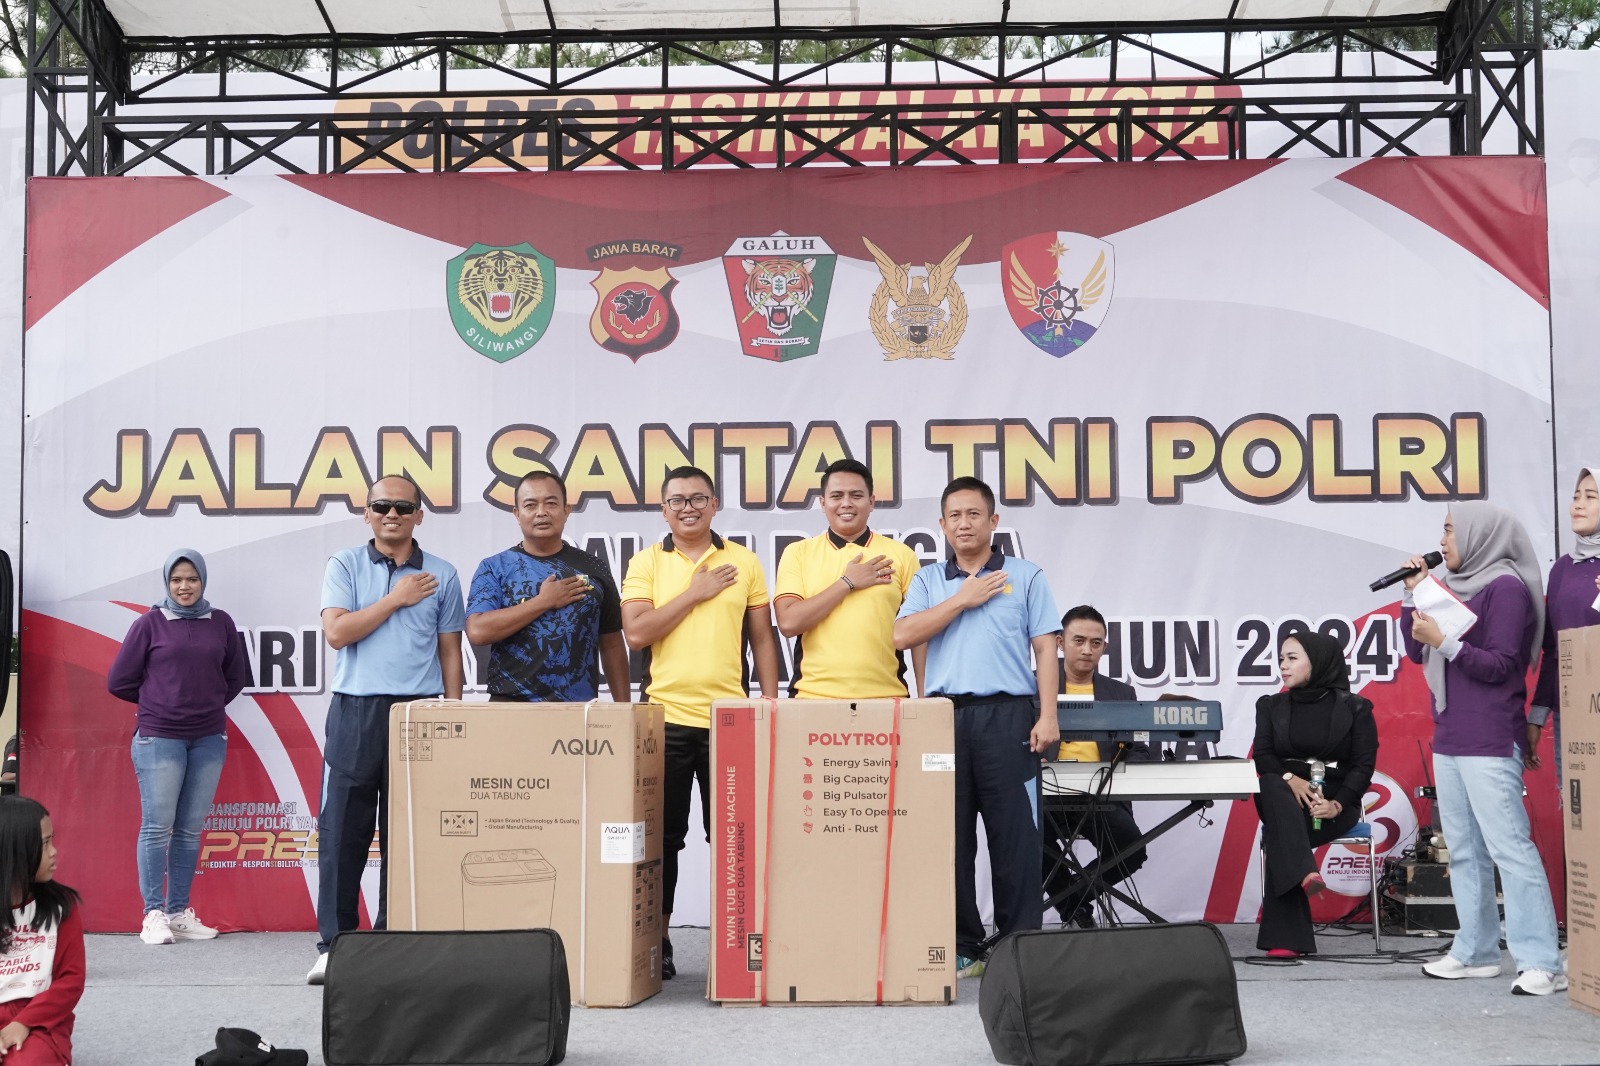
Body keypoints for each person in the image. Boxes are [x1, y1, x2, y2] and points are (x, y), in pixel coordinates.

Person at [893, 476, 1060, 978]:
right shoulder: (926, 581)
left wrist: (1048, 714)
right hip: (944, 720)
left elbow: (1046, 647)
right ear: (941, 525)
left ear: (993, 521)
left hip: (1009, 718)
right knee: (950, 837)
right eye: (954, 516)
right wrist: (962, 599)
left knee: (1016, 838)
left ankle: (1018, 945)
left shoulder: (1026, 576)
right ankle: (963, 945)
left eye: (974, 514)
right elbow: (903, 634)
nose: (964, 524)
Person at [1400, 502, 1565, 995]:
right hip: (1450, 734)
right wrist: (1416, 596)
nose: (1444, 541)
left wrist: (1445, 641)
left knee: (1509, 849)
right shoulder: (1452, 588)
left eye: (1450, 531)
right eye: (1444, 532)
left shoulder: (1508, 588)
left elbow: (1501, 666)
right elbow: (1416, 650)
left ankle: (1541, 961)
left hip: (1491, 737)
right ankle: (1475, 951)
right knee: (1465, 851)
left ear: (1480, 535)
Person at [621, 466, 779, 979]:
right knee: (662, 839)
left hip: (730, 721)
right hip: (664, 719)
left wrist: (770, 703)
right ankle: (659, 940)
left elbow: (761, 639)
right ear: (663, 510)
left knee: (733, 839)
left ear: (715, 505)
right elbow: (638, 634)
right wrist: (695, 591)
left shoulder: (744, 561)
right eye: (677, 501)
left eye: (698, 499)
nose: (688, 508)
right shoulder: (646, 562)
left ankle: (735, 945)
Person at [309, 475, 465, 985]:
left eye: (403, 506)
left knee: (408, 834)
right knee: (342, 834)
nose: (392, 514)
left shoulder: (443, 573)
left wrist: (454, 710)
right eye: (382, 505)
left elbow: (449, 651)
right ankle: (335, 946)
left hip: (418, 713)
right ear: (367, 512)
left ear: (420, 515)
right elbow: (337, 632)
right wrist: (396, 598)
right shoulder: (345, 564)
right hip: (356, 711)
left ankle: (393, 937)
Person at [107, 549, 250, 946]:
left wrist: (203, 705)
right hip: (158, 738)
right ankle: (152, 915)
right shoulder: (149, 624)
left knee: (189, 831)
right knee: (157, 828)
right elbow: (118, 681)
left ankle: (177, 913)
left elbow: (234, 678)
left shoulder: (221, 623)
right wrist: (162, 702)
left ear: (203, 581)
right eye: (176, 580)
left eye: (191, 579)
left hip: (208, 738)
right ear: (166, 583)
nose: (184, 587)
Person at [1251, 631, 1377, 958]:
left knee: (1282, 834)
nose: (1283, 666)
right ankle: (1306, 870)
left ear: (1318, 661)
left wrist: (1337, 805)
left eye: (1292, 658)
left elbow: (1362, 766)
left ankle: (1287, 939)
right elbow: (1263, 757)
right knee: (1270, 783)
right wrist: (1290, 778)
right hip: (1282, 796)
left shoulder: (1356, 707)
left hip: (1333, 802)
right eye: (1281, 659)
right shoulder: (1270, 705)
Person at [465, 471, 631, 703]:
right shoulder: (494, 567)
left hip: (577, 709)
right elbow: (478, 631)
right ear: (517, 513)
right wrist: (543, 602)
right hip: (510, 707)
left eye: (551, 503)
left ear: (566, 510)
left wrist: (623, 709)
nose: (541, 512)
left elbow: (612, 643)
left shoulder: (595, 568)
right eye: (530, 505)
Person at [773, 459, 919, 699]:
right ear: (822, 503)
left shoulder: (902, 555)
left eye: (856, 495)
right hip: (812, 697)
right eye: (837, 496)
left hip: (886, 697)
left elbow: (919, 634)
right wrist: (847, 583)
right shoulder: (798, 552)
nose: (846, 504)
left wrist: (924, 697)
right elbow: (788, 623)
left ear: (871, 502)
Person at [1043, 605, 1150, 927]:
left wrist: (1121, 764)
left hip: (1101, 796)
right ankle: (1076, 913)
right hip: (1046, 794)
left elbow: (1140, 750)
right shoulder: (1031, 685)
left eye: (1096, 642)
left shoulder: (1121, 693)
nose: (1087, 650)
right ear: (1060, 643)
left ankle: (1073, 903)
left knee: (1132, 850)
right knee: (1033, 844)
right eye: (1078, 640)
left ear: (1104, 646)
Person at [1529, 465, 1600, 785]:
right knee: (1579, 819)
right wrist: (1537, 716)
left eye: (1590, 496)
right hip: (1571, 716)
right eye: (1575, 497)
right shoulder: (1561, 569)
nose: (1578, 505)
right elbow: (1553, 651)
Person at [0, 796, 84, 1065]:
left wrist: (24, 1022)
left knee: (30, 1061)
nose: (54, 852)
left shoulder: (62, 906)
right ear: (16, 851)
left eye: (52, 840)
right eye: (45, 844)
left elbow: (70, 981)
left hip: (40, 1019)